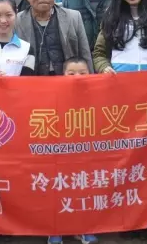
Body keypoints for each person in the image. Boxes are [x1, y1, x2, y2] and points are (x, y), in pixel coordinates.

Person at [48, 57, 99, 244]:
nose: (77, 77)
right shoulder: (52, 94)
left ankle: (84, 228)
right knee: (58, 190)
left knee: (84, 190)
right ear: (63, 75)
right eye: (71, 73)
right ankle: (55, 230)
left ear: (91, 74)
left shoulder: (99, 95)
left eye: (82, 73)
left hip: (86, 153)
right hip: (59, 153)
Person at [15, 0, 93, 75]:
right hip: (32, 82)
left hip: (66, 81)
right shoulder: (17, 21)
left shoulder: (73, 17)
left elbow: (85, 54)